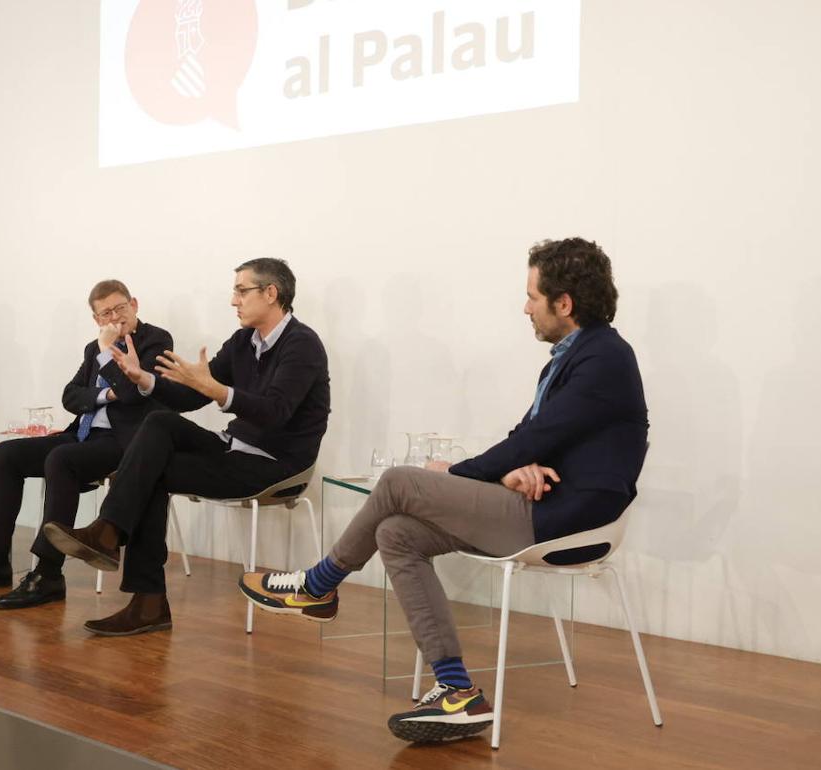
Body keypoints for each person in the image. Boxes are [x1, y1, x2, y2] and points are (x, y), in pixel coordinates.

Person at [240, 238, 649, 743]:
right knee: (396, 533)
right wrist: (510, 469)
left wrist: (456, 475)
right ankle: (457, 692)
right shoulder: (569, 359)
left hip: (570, 519)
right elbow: (532, 439)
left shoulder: (604, 356)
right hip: (544, 503)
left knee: (398, 482)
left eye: (532, 297)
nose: (525, 308)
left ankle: (319, 584)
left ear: (564, 303)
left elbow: (541, 438)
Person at [43, 258, 331, 637]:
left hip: (275, 463)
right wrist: (142, 377)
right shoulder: (244, 341)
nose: (234, 301)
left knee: (151, 470)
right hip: (234, 448)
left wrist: (216, 390)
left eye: (242, 291)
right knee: (158, 423)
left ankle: (134, 577)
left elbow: (275, 412)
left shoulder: (302, 344)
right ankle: (113, 544)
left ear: (271, 293)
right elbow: (188, 397)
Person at [0, 279, 173, 609]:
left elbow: (134, 393)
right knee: (8, 454)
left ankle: (48, 574)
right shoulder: (94, 349)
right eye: (106, 313)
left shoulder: (155, 340)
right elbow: (70, 396)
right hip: (83, 435)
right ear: (96, 319)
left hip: (126, 442)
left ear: (134, 304)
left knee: (62, 459)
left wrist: (108, 360)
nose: (115, 318)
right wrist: (106, 392)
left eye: (120, 308)